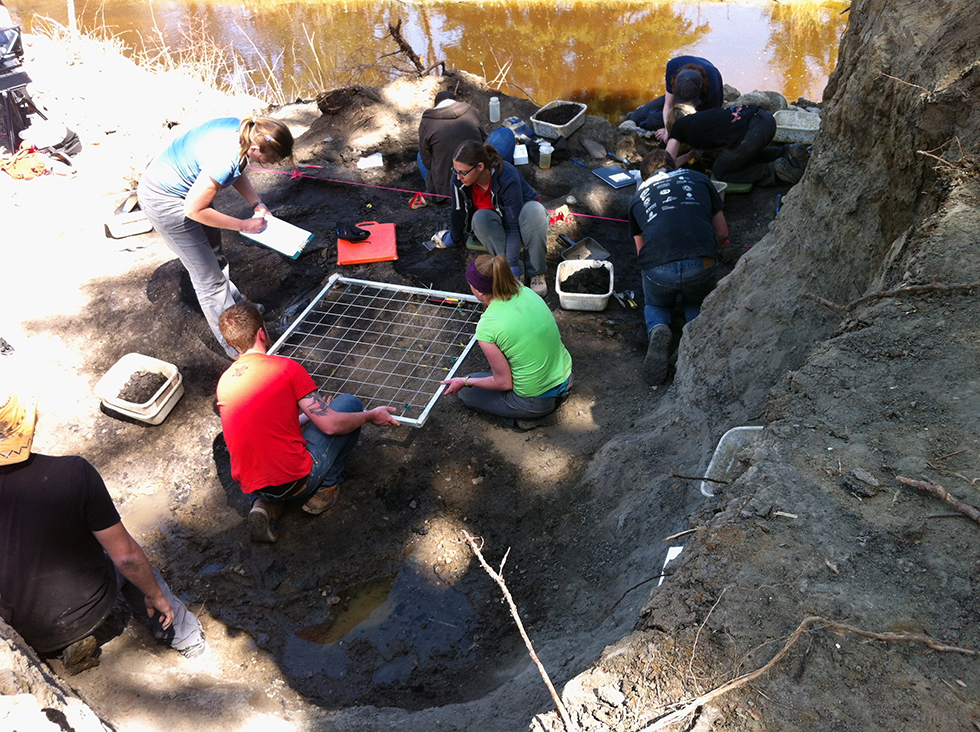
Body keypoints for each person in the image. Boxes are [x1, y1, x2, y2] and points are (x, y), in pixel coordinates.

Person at [0, 390, 207, 669]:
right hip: (91, 608)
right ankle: (186, 637)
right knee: (129, 560)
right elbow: (127, 558)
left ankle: (65, 648)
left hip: (28, 632)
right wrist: (155, 595)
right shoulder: (73, 472)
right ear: (28, 428)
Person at [216, 301, 400, 544]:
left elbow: (271, 424)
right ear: (262, 333)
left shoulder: (225, 382)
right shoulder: (285, 368)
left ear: (230, 343)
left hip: (254, 486)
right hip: (297, 480)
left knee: (266, 455)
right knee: (350, 405)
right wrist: (369, 416)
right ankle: (324, 490)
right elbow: (331, 425)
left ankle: (264, 504)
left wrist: (311, 415)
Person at [137, 117, 293, 358]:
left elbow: (236, 169)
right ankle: (238, 347)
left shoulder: (246, 132)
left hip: (191, 194)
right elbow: (194, 210)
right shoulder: (226, 155)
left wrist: (257, 203)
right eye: (268, 159)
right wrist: (243, 225)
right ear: (255, 149)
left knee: (216, 258)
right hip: (165, 200)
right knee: (209, 279)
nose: (272, 164)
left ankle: (239, 313)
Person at [628, 150, 728, 385]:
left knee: (655, 302)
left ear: (645, 178)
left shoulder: (637, 197)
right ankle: (692, 335)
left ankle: (659, 328)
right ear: (672, 166)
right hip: (701, 262)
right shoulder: (700, 179)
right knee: (697, 300)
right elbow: (723, 233)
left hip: (658, 267)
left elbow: (641, 252)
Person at [441, 255, 572, 426]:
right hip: (567, 378)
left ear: (479, 291)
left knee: (467, 392)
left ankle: (523, 419)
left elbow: (503, 383)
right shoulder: (526, 292)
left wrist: (465, 381)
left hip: (536, 402)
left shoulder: (487, 326)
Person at [436, 140, 550, 297]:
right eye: (456, 171)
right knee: (480, 218)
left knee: (534, 212)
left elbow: (513, 226)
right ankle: (514, 273)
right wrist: (454, 238)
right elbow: (458, 211)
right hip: (495, 223)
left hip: (522, 220)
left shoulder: (507, 176)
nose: (458, 176)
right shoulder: (459, 180)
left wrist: (511, 266)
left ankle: (536, 272)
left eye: (463, 172)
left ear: (480, 167)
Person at [665, 104, 809, 186]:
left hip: (753, 132)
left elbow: (666, 165)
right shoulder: (703, 118)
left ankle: (774, 171)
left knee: (721, 171)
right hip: (764, 118)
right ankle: (788, 151)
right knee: (740, 157)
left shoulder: (679, 126)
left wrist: (686, 157)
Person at [418, 90, 516, 197]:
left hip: (447, 190)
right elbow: (482, 142)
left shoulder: (427, 122)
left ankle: (444, 191)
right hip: (477, 179)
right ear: (455, 102)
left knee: (420, 155)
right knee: (504, 133)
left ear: (436, 106)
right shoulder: (471, 111)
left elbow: (427, 163)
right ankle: (495, 178)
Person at [629, 56, 724, 140]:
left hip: (702, 105)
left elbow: (708, 123)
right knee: (637, 116)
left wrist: (673, 133)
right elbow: (668, 104)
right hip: (682, 92)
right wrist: (667, 130)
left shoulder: (712, 87)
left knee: (652, 121)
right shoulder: (673, 66)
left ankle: (651, 118)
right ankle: (640, 116)